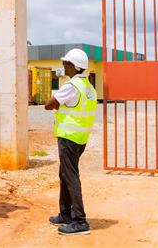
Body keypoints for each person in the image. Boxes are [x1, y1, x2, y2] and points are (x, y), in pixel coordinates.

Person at [44, 48, 97, 235]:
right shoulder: (89, 87)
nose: (63, 66)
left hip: (69, 138)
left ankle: (79, 221)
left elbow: (49, 104)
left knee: (71, 176)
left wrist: (53, 103)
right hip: (80, 138)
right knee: (65, 174)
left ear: (74, 66)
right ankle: (65, 214)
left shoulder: (71, 86)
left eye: (66, 63)